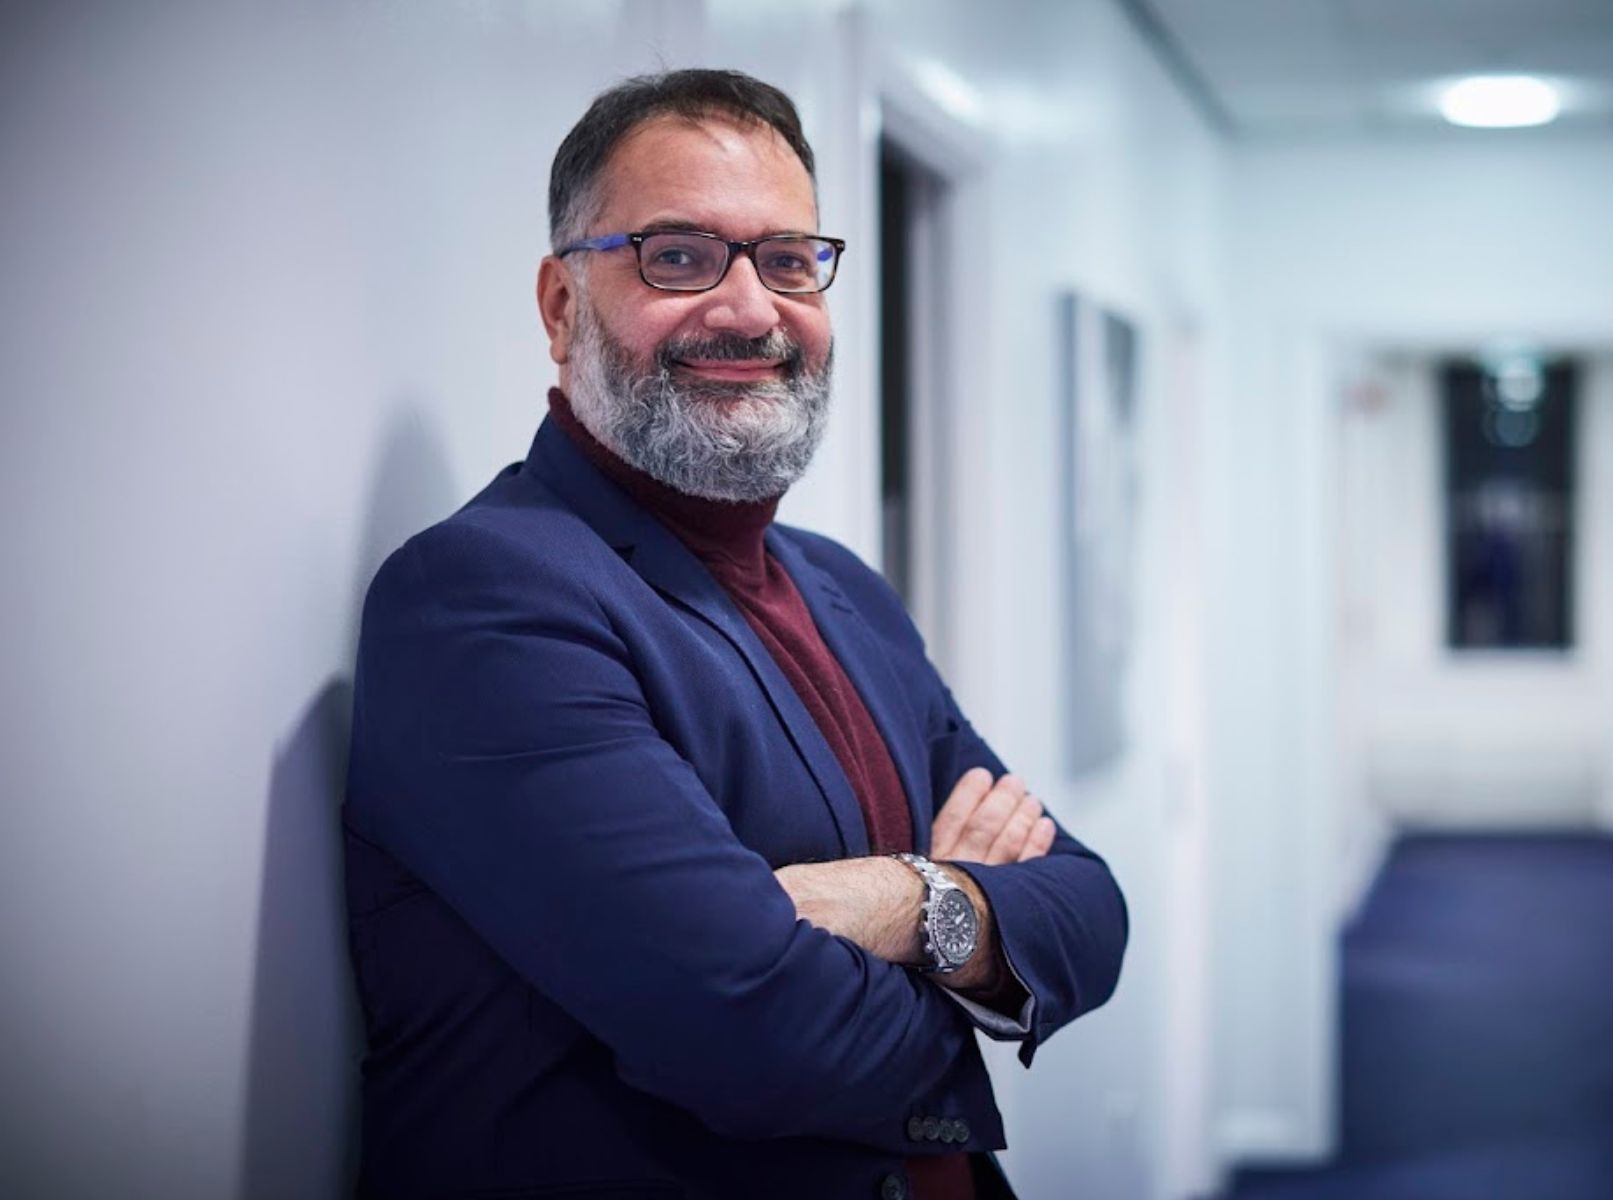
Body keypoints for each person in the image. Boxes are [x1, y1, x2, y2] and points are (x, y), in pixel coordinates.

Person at [342, 68, 1128, 1199]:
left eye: (789, 259)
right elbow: (754, 1032)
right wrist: (974, 938)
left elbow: (1091, 906)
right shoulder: (486, 599)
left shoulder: (841, 589)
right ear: (562, 308)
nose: (750, 308)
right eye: (677, 255)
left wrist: (903, 901)